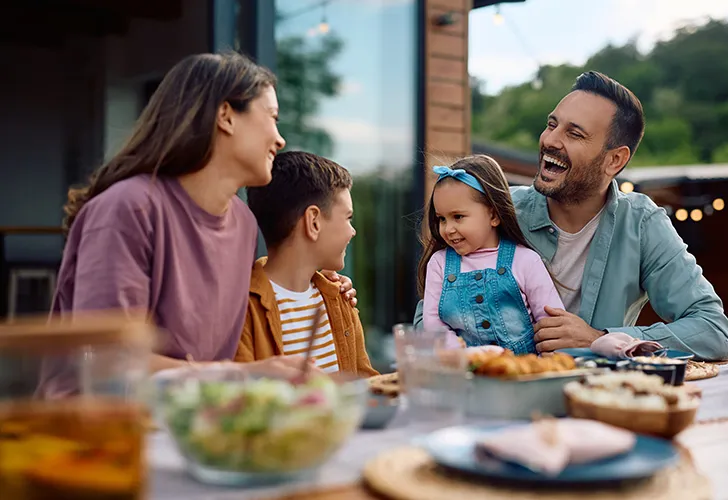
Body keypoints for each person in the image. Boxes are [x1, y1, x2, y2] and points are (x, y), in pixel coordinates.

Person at [37, 52, 358, 397]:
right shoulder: (126, 210)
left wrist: (318, 283)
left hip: (193, 431)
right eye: (272, 117)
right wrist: (244, 376)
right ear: (226, 116)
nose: (280, 140)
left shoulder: (242, 225)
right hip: (98, 437)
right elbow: (109, 367)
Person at [415, 71, 728, 361]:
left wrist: (598, 338)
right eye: (552, 124)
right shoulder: (498, 210)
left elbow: (713, 331)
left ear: (614, 160)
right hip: (498, 390)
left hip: (598, 402)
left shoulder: (642, 223)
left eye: (574, 134)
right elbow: (428, 319)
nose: (550, 140)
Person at [236, 152, 378, 376]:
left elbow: (366, 385)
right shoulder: (242, 309)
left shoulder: (339, 299)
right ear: (314, 222)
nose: (353, 231)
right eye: (348, 218)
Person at [418, 156, 564, 353]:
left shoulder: (526, 261)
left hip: (521, 374)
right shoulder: (439, 263)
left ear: (493, 215)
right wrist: (460, 356)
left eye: (458, 217)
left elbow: (551, 323)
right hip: (465, 372)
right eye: (441, 219)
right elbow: (434, 323)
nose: (448, 229)